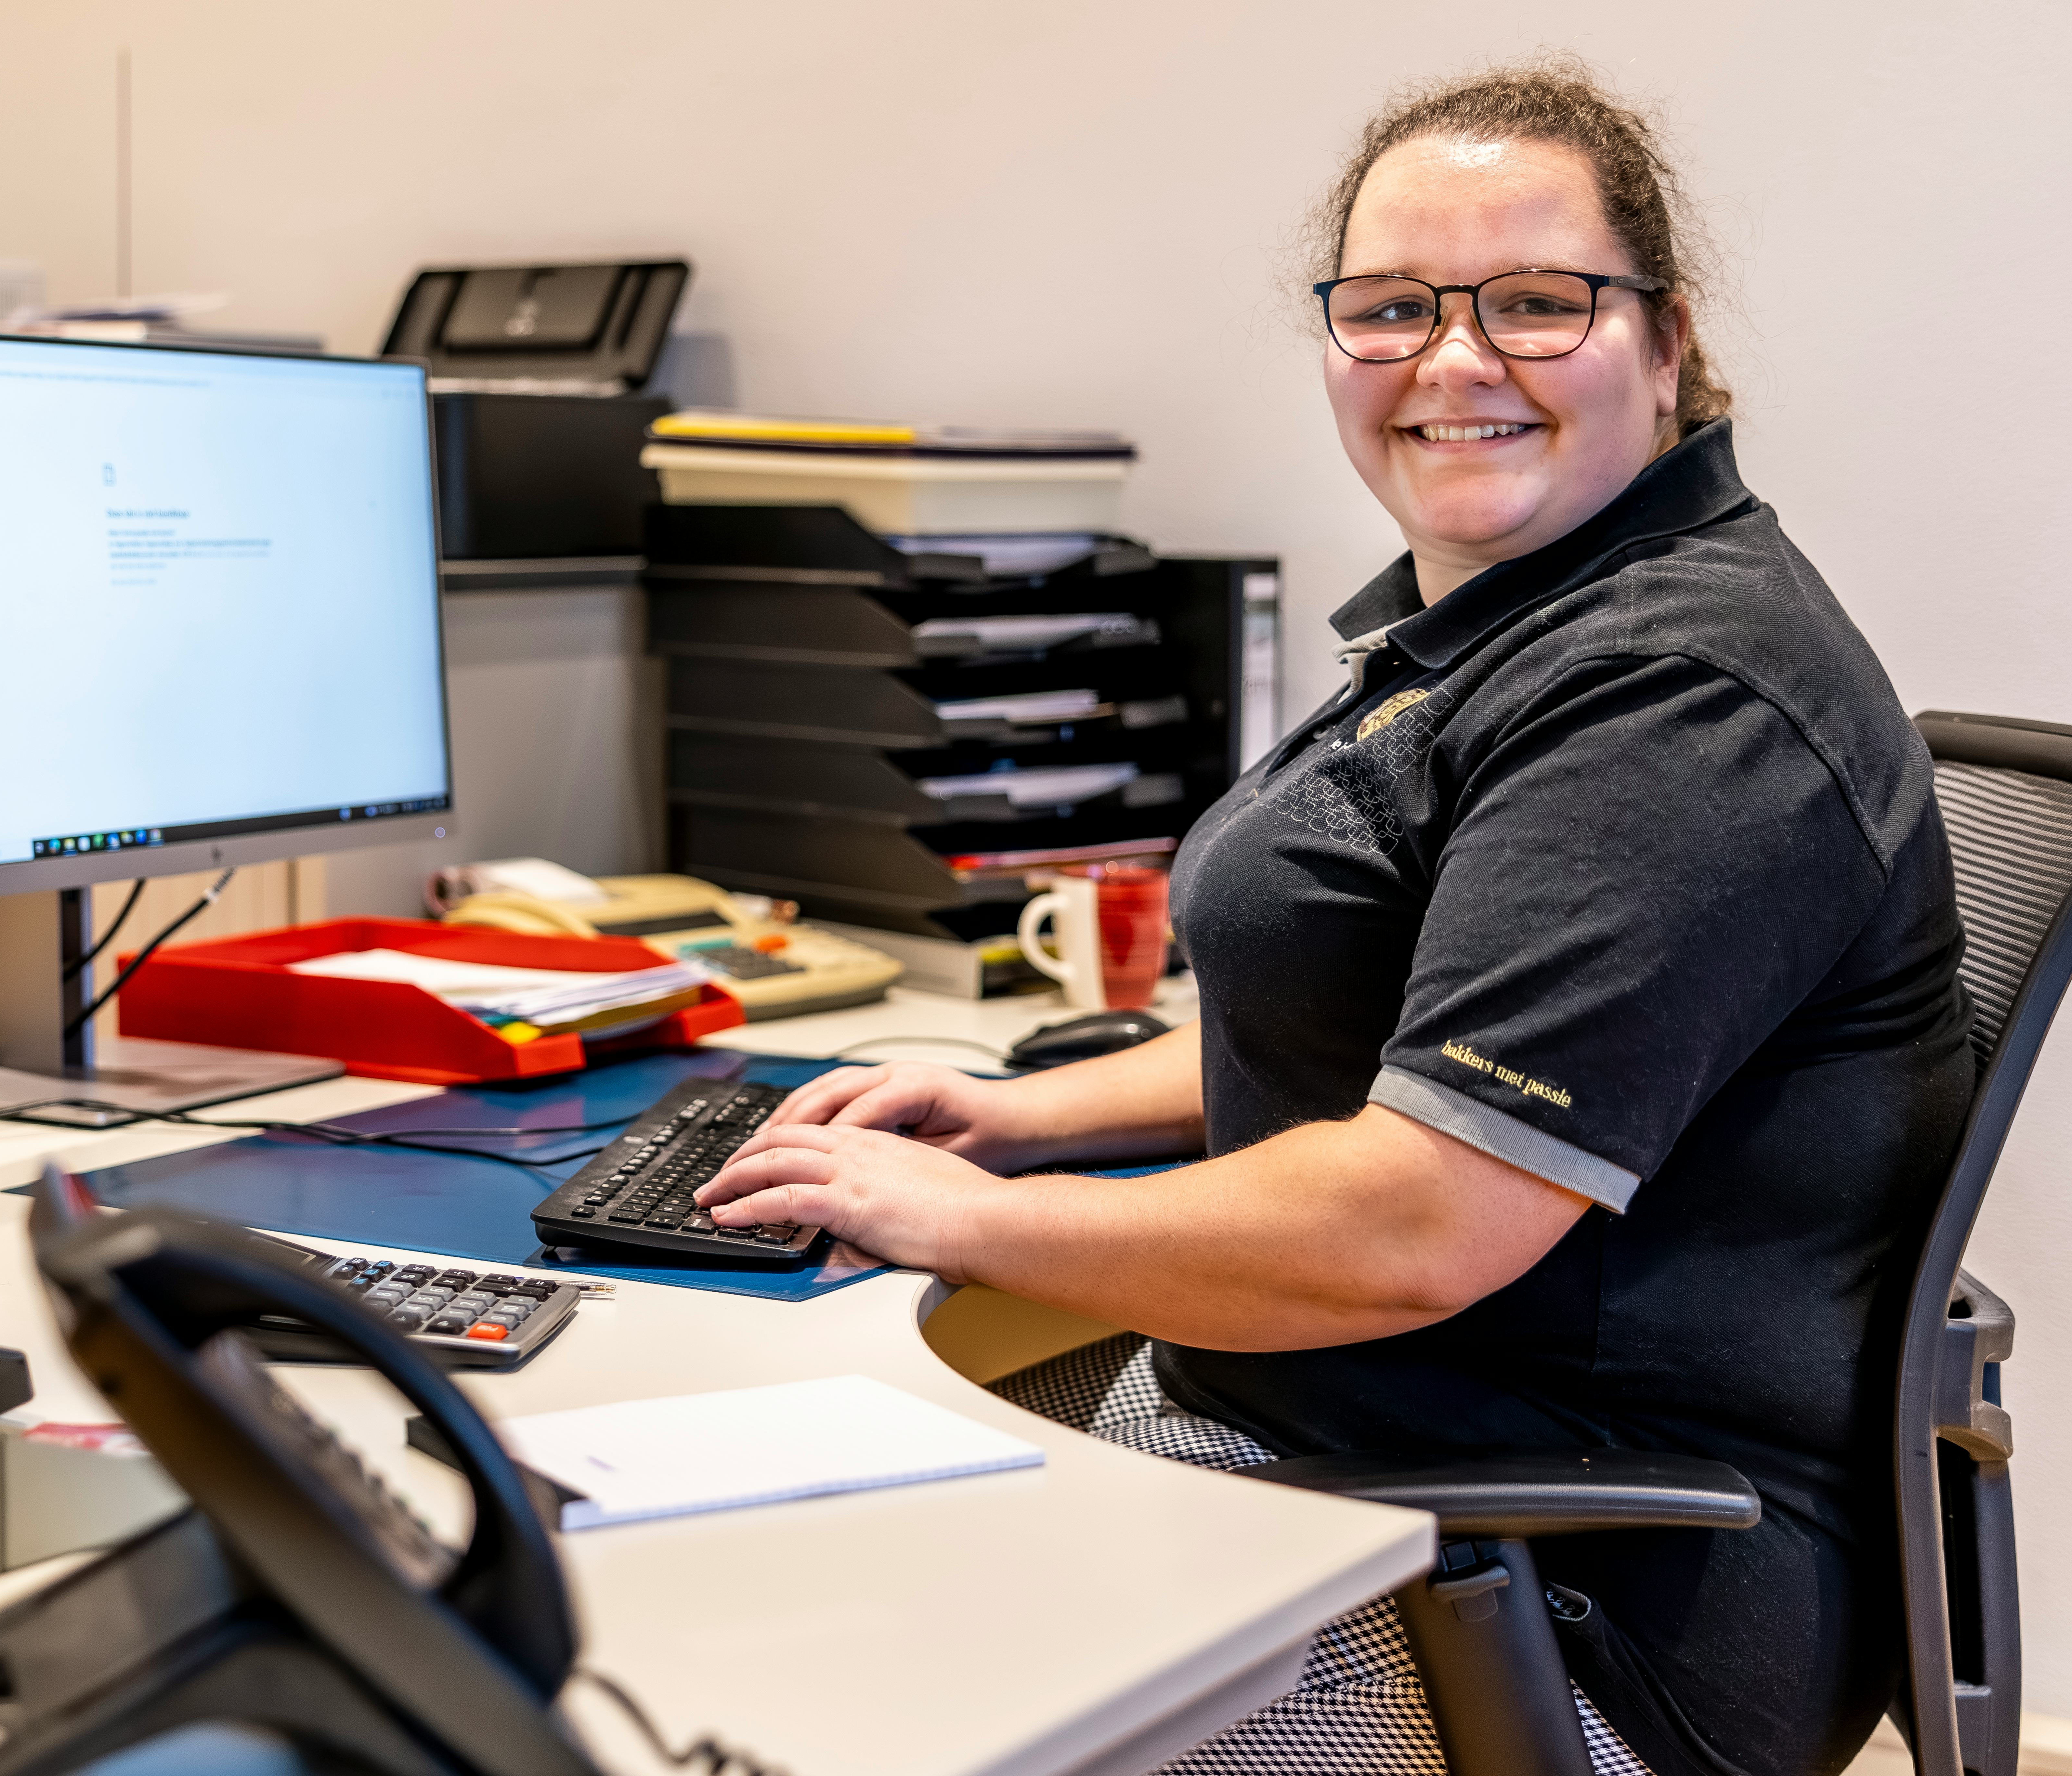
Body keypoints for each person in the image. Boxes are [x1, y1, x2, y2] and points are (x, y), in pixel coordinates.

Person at [697, 60, 1972, 1776]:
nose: (1455, 361)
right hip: (1350, 1448)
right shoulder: (1517, 623)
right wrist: (1015, 1114)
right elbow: (1386, 1009)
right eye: (1391, 309)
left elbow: (1416, 1217)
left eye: (1535, 302)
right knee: (783, 1578)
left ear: (1666, 343)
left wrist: (960, 1219)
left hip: (1566, 1601)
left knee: (833, 1706)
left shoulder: (1682, 693)